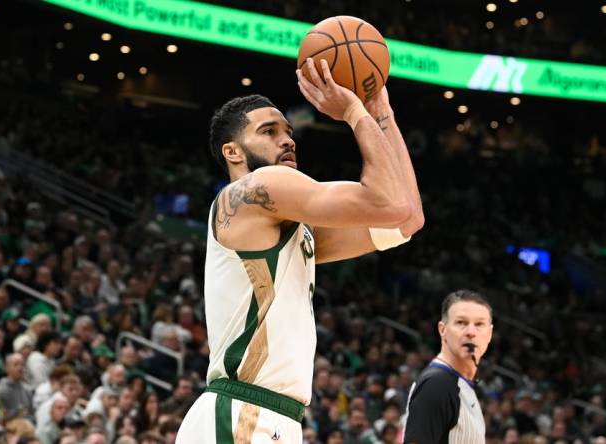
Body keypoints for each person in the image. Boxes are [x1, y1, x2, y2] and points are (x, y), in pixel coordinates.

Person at [177, 58, 424, 443]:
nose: (288, 139)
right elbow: (389, 203)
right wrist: (355, 111)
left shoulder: (294, 230)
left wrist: (382, 112)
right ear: (233, 152)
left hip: (277, 417)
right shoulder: (256, 189)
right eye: (269, 131)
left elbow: (406, 219)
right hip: (242, 412)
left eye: (289, 131)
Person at [403, 290, 494, 444]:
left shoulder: (459, 383)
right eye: (461, 323)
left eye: (479, 324)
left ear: (490, 333)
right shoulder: (437, 384)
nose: (471, 332)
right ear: (442, 330)